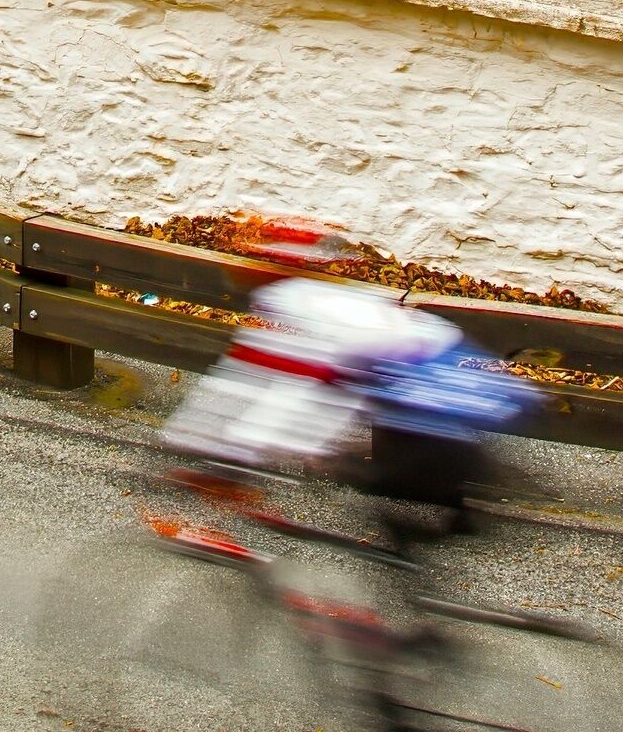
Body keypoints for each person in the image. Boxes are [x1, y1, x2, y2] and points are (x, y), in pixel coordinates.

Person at [160, 221, 538, 552]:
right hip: (472, 402)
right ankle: (437, 535)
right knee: (377, 455)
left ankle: (412, 596)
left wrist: (224, 457)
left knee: (369, 490)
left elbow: (289, 395)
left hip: (434, 422)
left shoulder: (289, 307)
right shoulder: (336, 298)